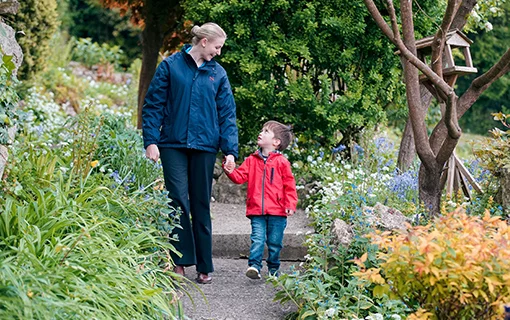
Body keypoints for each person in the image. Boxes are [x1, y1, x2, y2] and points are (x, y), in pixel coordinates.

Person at [142, 22, 238, 284]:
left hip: (205, 147)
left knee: (200, 204)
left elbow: (228, 115)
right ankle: (180, 260)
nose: (218, 53)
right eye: (217, 47)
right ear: (204, 41)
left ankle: (205, 265)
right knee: (177, 201)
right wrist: (151, 141)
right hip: (172, 144)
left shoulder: (218, 75)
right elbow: (153, 105)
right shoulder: (171, 66)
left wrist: (230, 151)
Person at [223, 120, 297, 279]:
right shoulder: (251, 160)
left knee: (275, 243)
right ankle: (254, 266)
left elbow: (289, 185)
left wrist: (290, 204)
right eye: (261, 130)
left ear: (276, 142)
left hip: (278, 212)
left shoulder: (282, 162)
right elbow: (239, 177)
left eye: (266, 131)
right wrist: (230, 170)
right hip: (257, 210)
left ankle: (273, 269)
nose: (261, 133)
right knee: (257, 239)